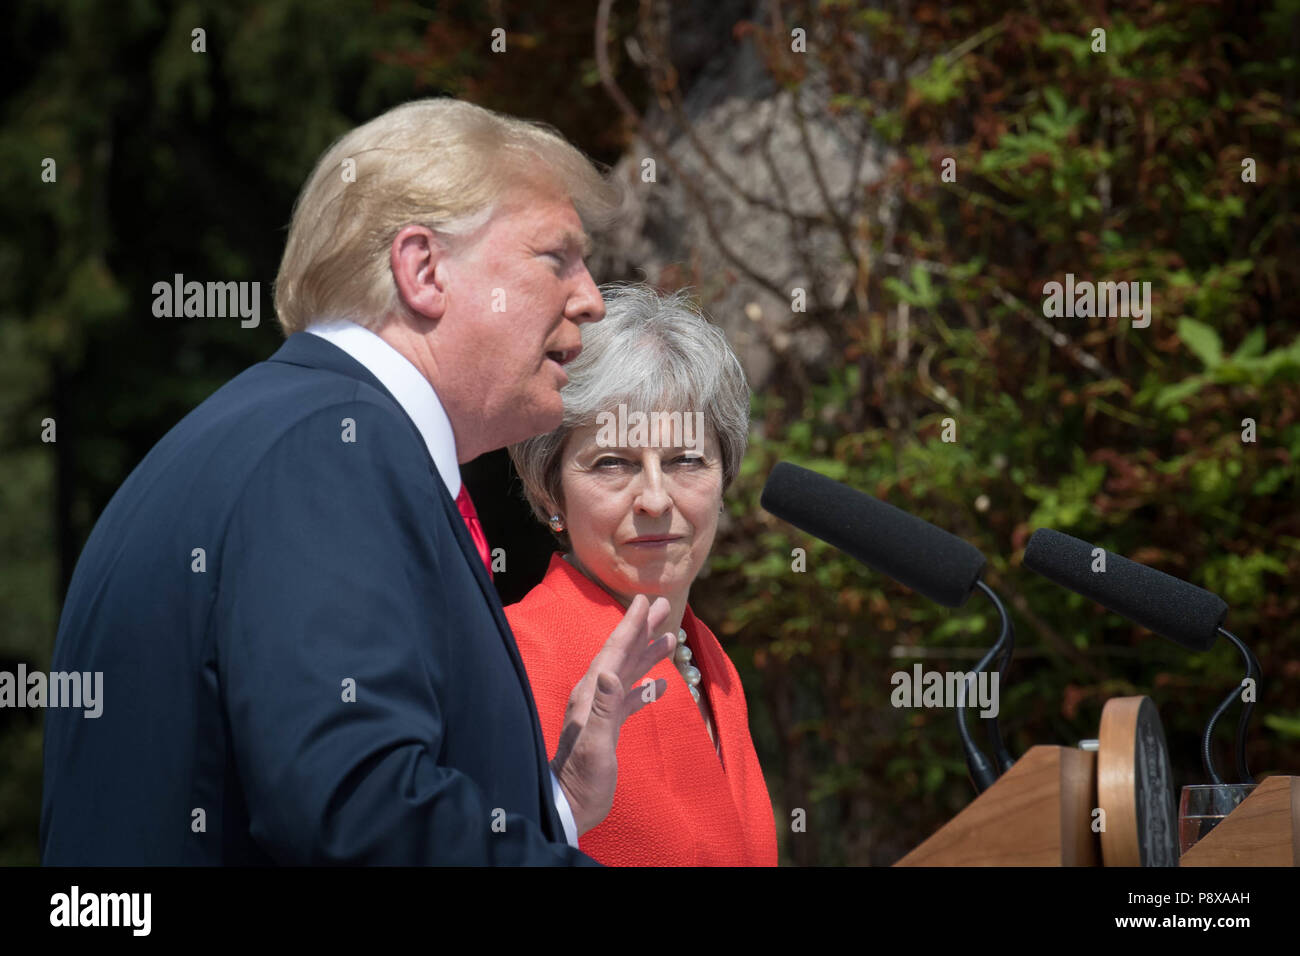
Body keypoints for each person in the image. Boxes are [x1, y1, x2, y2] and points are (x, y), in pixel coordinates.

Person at [40, 99, 678, 865]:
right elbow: (361, 816)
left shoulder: (288, 433)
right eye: (556, 258)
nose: (591, 298)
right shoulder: (330, 451)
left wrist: (556, 804)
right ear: (423, 270)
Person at [506, 284, 778, 865]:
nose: (656, 497)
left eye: (685, 460)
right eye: (613, 463)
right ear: (549, 489)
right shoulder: (508, 662)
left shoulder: (714, 669)